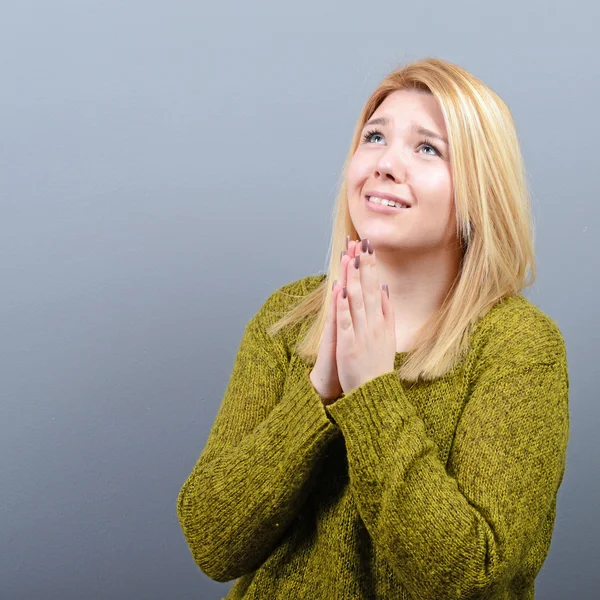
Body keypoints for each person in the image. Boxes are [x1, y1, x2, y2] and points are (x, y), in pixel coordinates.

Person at [176, 57, 570, 599]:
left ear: (481, 190)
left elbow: (470, 576)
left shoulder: (519, 347)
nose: (385, 163)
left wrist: (370, 395)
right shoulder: (285, 318)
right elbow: (212, 541)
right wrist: (318, 392)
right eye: (375, 136)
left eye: (427, 147)